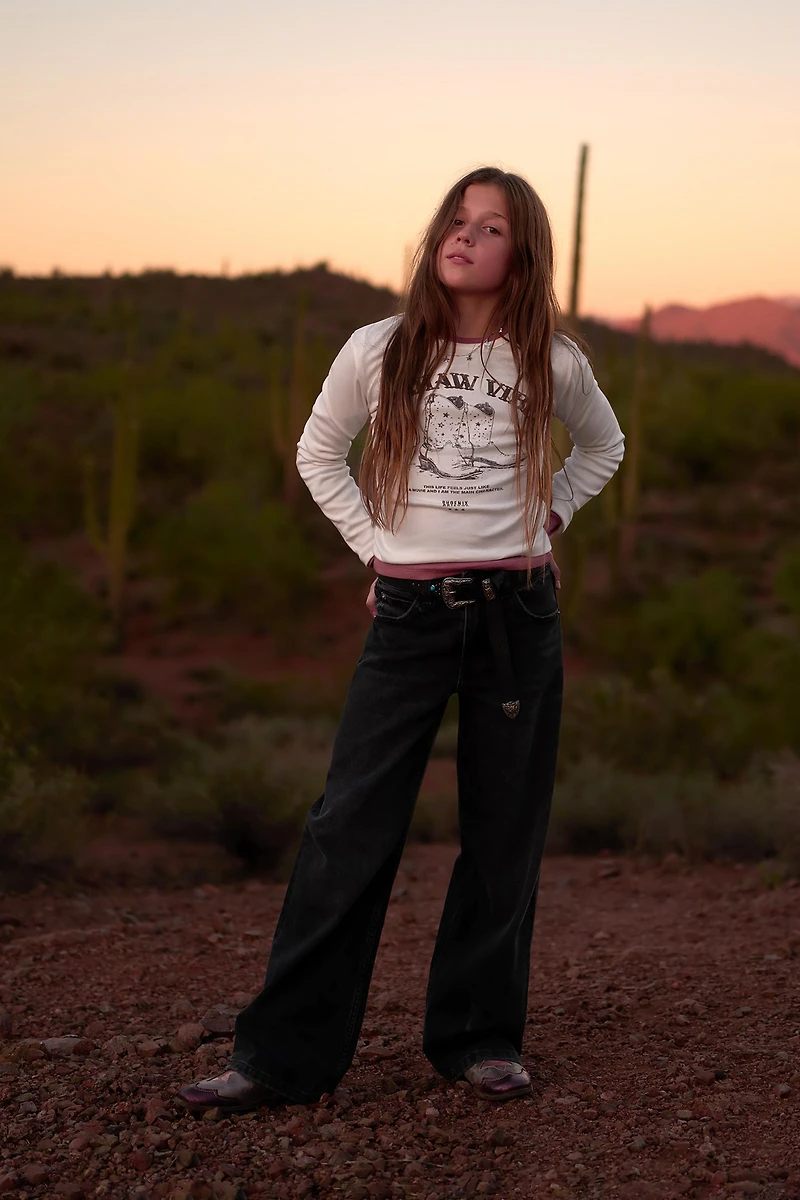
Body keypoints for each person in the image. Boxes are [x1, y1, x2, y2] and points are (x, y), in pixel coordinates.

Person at [178, 166, 625, 1113]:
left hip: (518, 618)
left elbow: (605, 447)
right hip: (412, 619)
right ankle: (279, 1059)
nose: (463, 237)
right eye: (454, 221)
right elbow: (317, 452)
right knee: (347, 829)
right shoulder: (379, 348)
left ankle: (479, 1038)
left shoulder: (555, 362)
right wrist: (375, 548)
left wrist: (551, 516)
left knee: (504, 834)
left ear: (524, 252)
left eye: (490, 226)